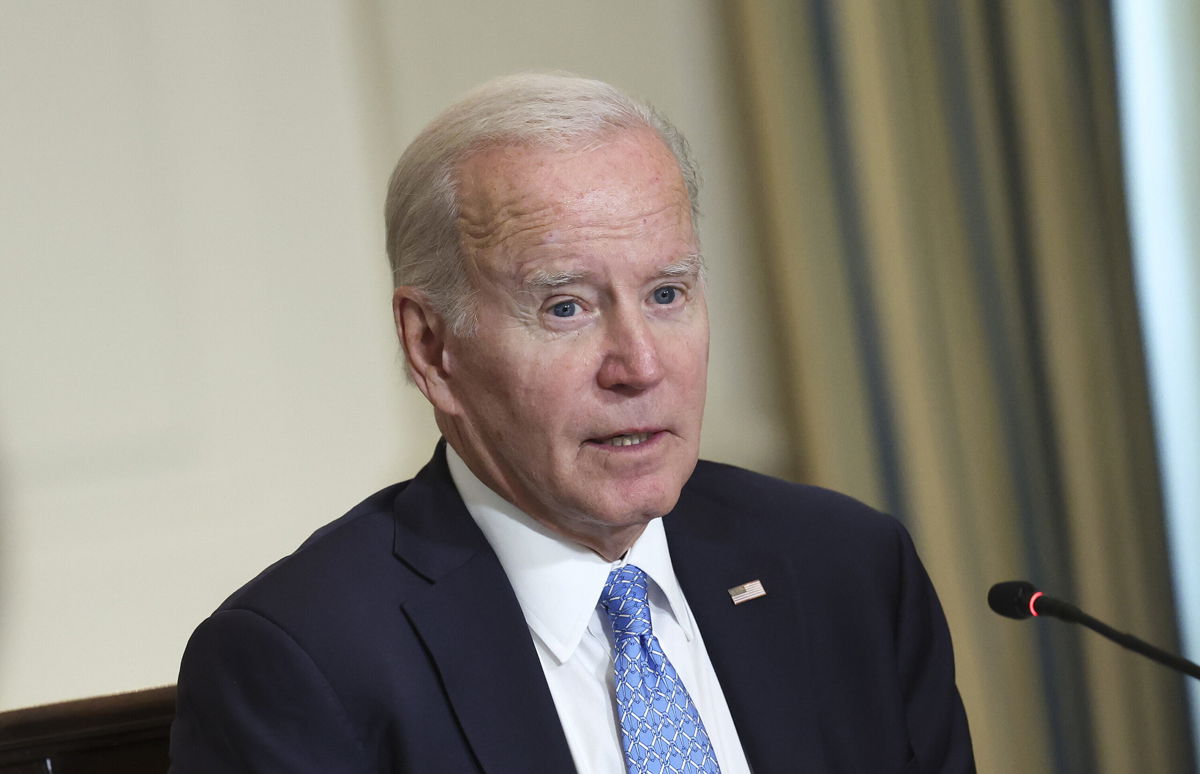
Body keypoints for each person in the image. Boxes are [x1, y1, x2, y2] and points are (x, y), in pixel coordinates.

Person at [170, 73, 974, 773]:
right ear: (432, 347)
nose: (640, 365)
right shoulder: (306, 660)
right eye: (566, 307)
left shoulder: (847, 571)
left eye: (667, 294)